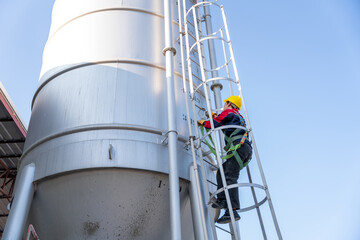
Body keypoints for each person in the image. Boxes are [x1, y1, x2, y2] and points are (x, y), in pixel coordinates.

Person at [198, 96, 252, 224]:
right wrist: (216, 116)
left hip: (239, 148)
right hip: (245, 149)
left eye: (225, 104)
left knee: (229, 177)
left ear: (229, 104)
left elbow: (213, 124)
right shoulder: (237, 116)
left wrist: (203, 122)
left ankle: (232, 211)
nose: (224, 106)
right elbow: (225, 121)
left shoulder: (228, 113)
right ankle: (222, 199)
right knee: (223, 171)